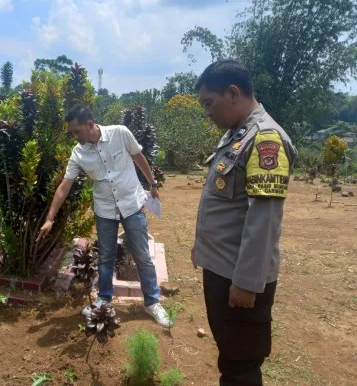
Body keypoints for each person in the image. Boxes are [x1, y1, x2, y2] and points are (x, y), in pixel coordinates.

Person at [191, 59, 297, 385]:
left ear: (233, 92)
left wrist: (248, 283)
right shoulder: (237, 134)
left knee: (241, 367)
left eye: (210, 103)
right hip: (222, 270)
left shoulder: (265, 140)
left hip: (239, 279)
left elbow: (263, 219)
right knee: (231, 358)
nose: (207, 112)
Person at [37, 105, 171, 327]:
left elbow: (139, 158)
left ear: (90, 124)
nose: (74, 136)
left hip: (132, 205)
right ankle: (104, 300)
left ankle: (152, 302)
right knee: (106, 258)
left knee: (142, 256)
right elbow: (64, 186)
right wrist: (50, 218)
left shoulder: (120, 133)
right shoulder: (78, 152)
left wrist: (153, 183)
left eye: (76, 131)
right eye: (71, 132)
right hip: (105, 210)